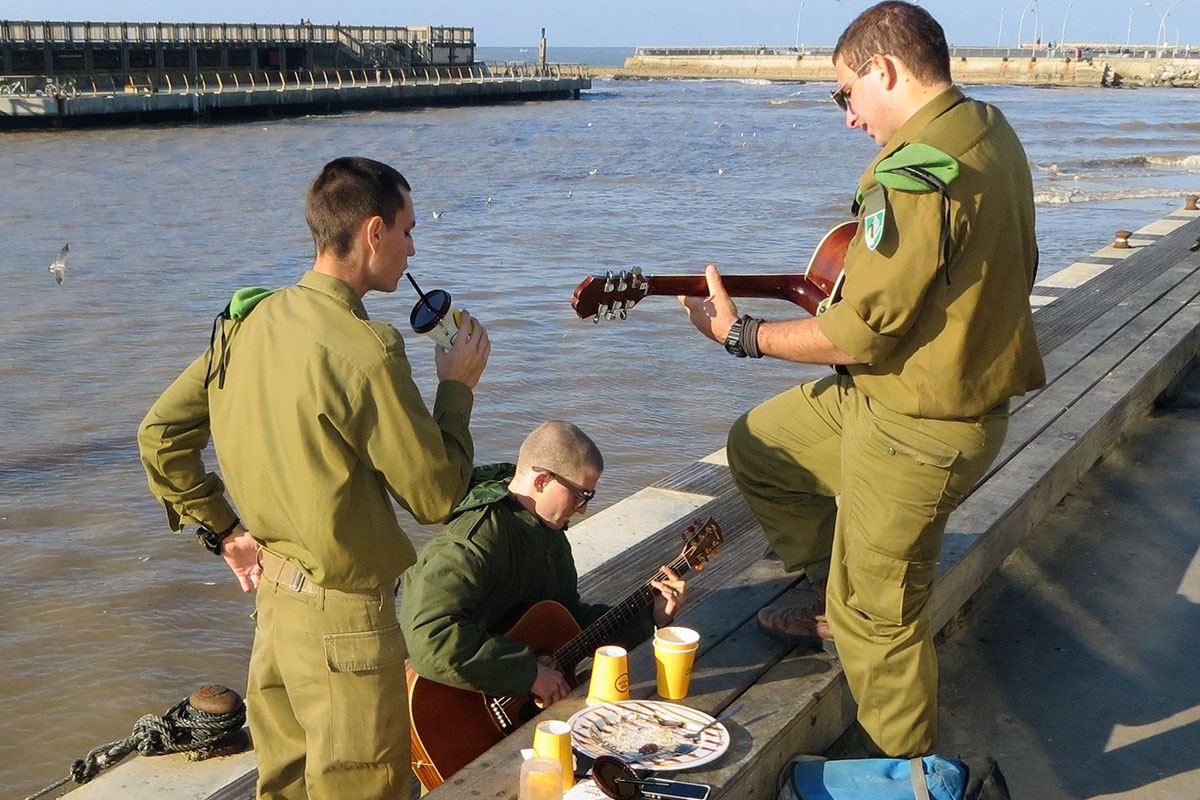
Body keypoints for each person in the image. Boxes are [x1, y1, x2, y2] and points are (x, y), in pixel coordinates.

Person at [678, 1, 1044, 758]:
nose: (847, 115)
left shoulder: (908, 176)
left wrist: (740, 335)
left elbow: (860, 330)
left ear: (885, 69)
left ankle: (907, 775)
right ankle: (824, 591)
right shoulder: (985, 127)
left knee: (880, 621)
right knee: (760, 445)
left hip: (920, 428)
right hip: (909, 397)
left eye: (846, 93)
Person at [137, 156, 491, 800]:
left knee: (285, 789)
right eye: (409, 231)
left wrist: (224, 530)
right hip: (348, 628)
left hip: (276, 614)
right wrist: (456, 392)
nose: (414, 249)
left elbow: (160, 437)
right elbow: (437, 496)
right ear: (374, 232)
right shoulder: (366, 349)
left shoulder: (249, 322)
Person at [400, 420, 687, 709]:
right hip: (456, 709)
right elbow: (429, 637)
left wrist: (651, 617)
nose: (583, 508)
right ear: (542, 481)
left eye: (589, 496)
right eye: (579, 494)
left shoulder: (549, 534)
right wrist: (530, 674)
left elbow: (569, 623)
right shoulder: (473, 542)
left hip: (517, 702)